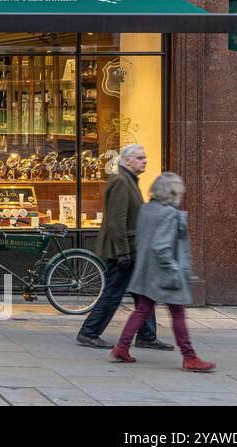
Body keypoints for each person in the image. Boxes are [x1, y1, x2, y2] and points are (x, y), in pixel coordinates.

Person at [110, 172, 215, 372]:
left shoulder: (146, 210)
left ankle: (122, 347)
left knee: (142, 308)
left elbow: (144, 239)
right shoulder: (169, 214)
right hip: (165, 274)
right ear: (173, 192)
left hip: (148, 270)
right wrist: (174, 269)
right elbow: (161, 246)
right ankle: (189, 356)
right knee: (178, 314)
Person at [75, 144, 173, 350]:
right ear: (127, 161)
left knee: (143, 293)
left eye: (144, 157)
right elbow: (116, 221)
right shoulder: (120, 181)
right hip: (122, 250)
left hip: (132, 249)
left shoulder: (129, 180)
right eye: (139, 158)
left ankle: (146, 335)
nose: (144, 160)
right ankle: (89, 332)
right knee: (113, 293)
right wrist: (123, 252)